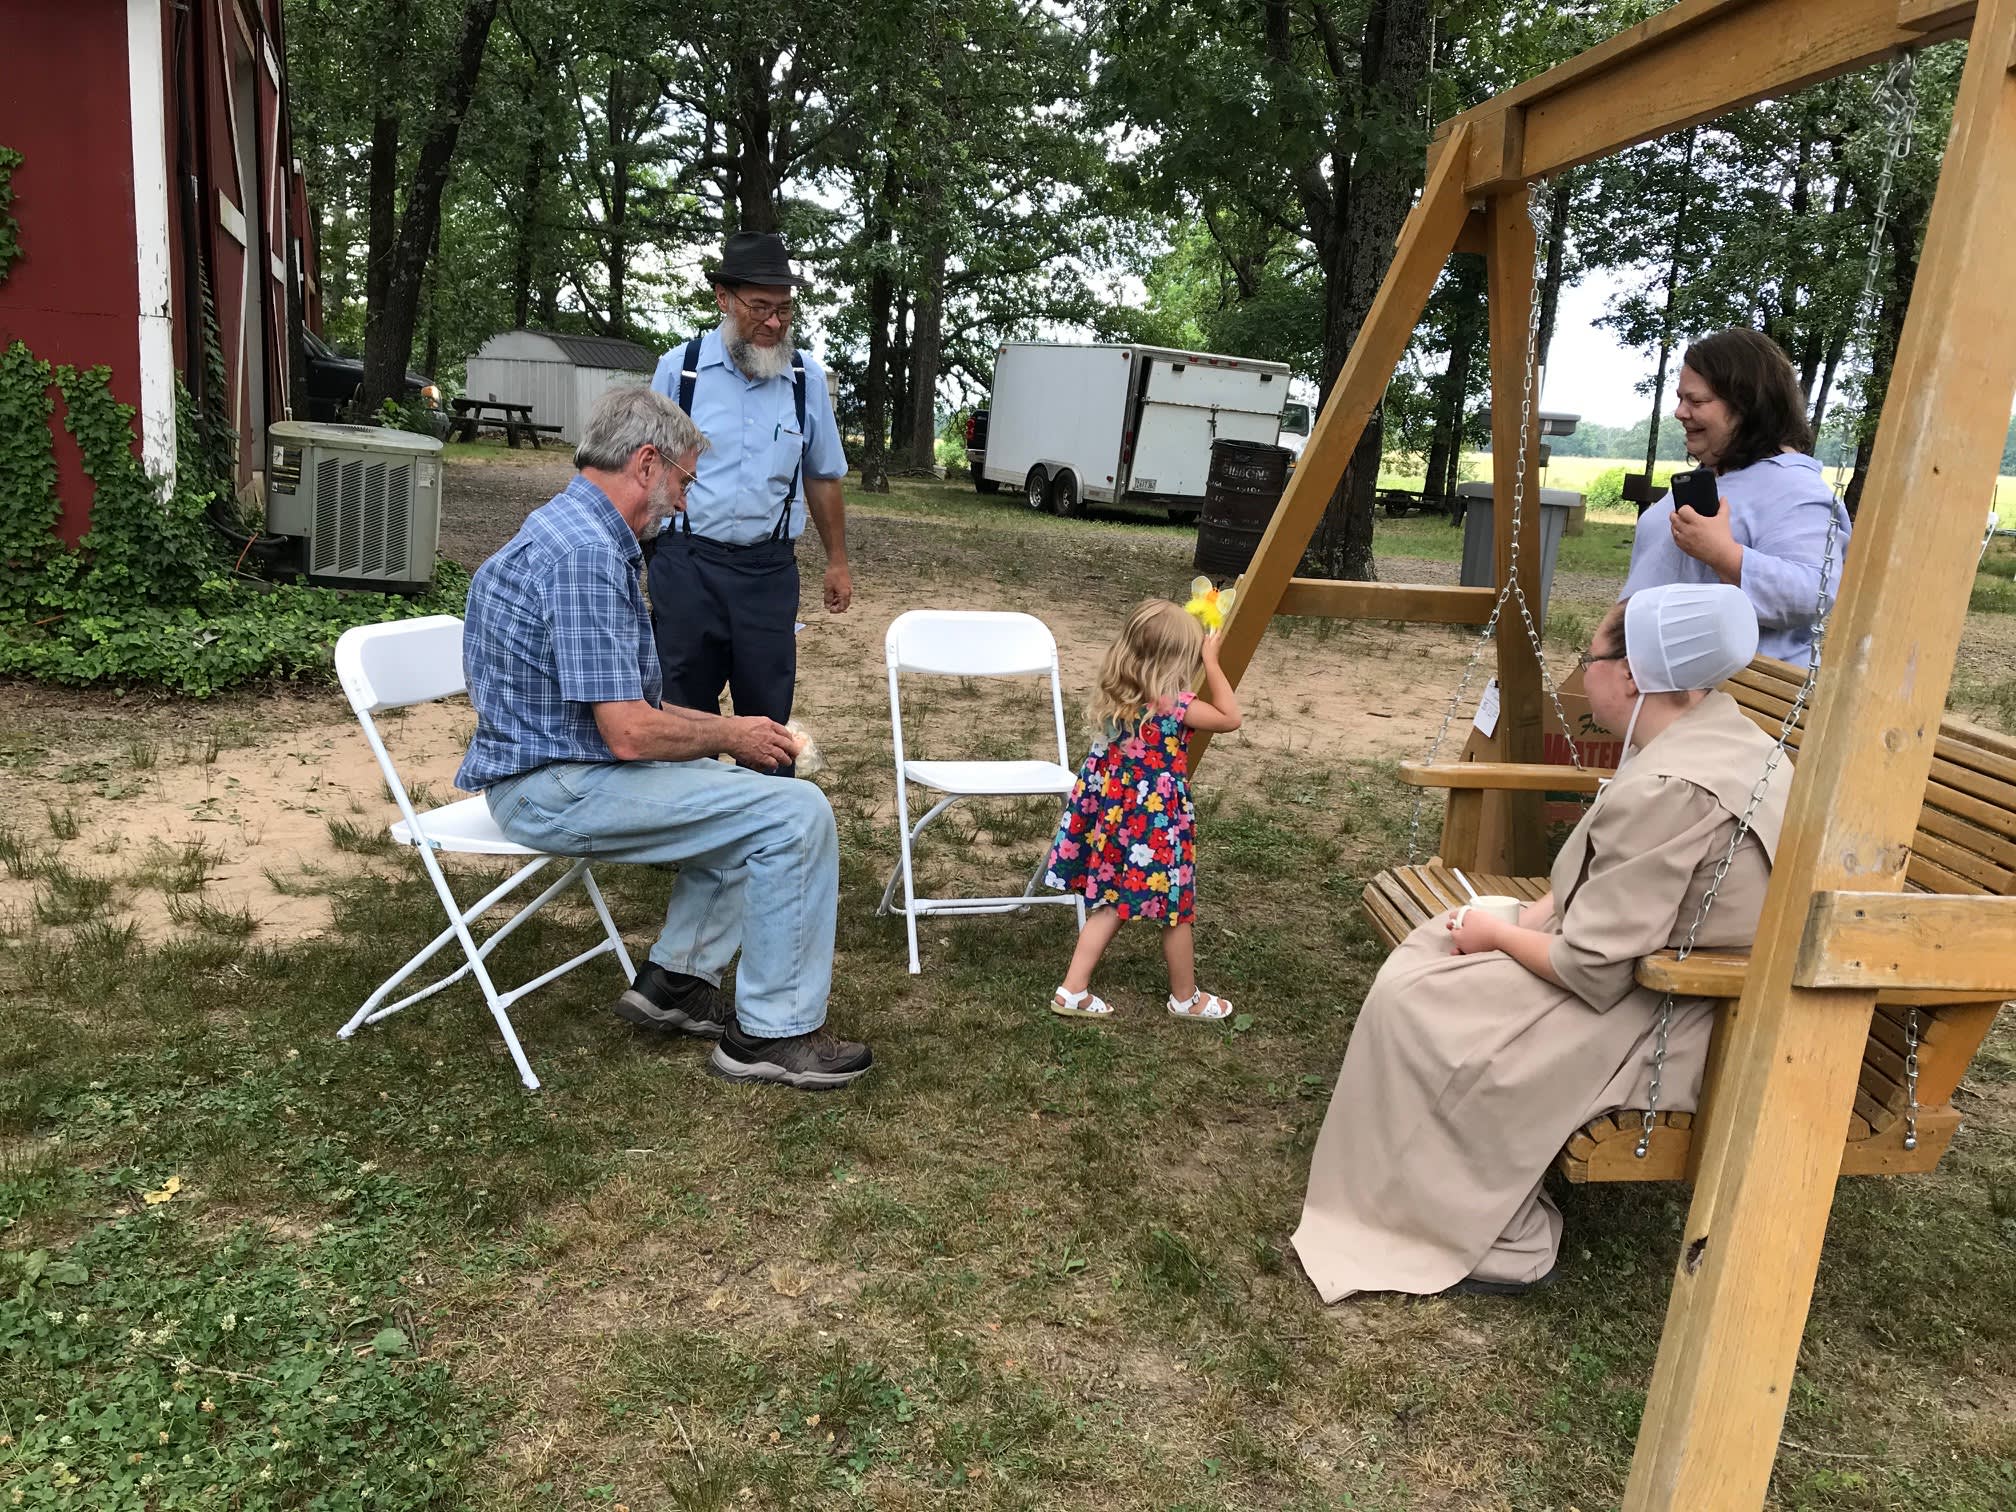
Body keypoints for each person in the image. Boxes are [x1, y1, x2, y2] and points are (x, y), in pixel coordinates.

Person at [1292, 583, 1788, 1300]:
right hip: (1657, 979)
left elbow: (1591, 969)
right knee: (1437, 951)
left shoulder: (1677, 785)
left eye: (1589, 656)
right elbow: (1620, 887)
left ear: (1635, 674)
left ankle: (1487, 1233)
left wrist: (1498, 930)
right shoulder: (1720, 735)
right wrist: (1523, 920)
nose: (1583, 671)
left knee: (1419, 999)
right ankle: (1424, 1187)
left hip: (1671, 1017)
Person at [455, 384, 873, 1090]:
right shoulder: (585, 555)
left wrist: (732, 742)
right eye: (683, 481)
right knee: (793, 813)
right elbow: (627, 733)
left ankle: (674, 984)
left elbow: (621, 718)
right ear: (646, 463)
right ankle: (773, 1034)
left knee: (746, 794)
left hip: (559, 766)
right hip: (552, 787)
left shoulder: (570, 529)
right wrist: (731, 731)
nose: (684, 501)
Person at [647, 231, 852, 774]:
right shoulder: (679, 371)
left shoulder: (805, 379)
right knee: (684, 703)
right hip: (686, 564)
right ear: (723, 298)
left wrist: (837, 561)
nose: (775, 323)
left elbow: (824, 475)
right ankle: (687, 823)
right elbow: (644, 469)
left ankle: (763, 827)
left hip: (767, 570)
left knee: (767, 705)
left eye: (785, 309)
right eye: (760, 307)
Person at [1039, 599, 1243, 1022]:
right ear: (1176, 660)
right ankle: (1186, 999)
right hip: (1156, 830)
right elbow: (1230, 717)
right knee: (1176, 907)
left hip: (1116, 824)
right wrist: (1213, 661)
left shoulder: (1119, 702)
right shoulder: (1177, 707)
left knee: (1112, 902)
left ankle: (1072, 989)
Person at [1620, 328, 1851, 664]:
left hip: (1739, 699)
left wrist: (1725, 555)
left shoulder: (1796, 490)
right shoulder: (1708, 477)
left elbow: (1813, 593)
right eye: (1680, 398)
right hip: (1658, 685)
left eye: (1696, 401)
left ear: (1747, 406)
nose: (1680, 413)